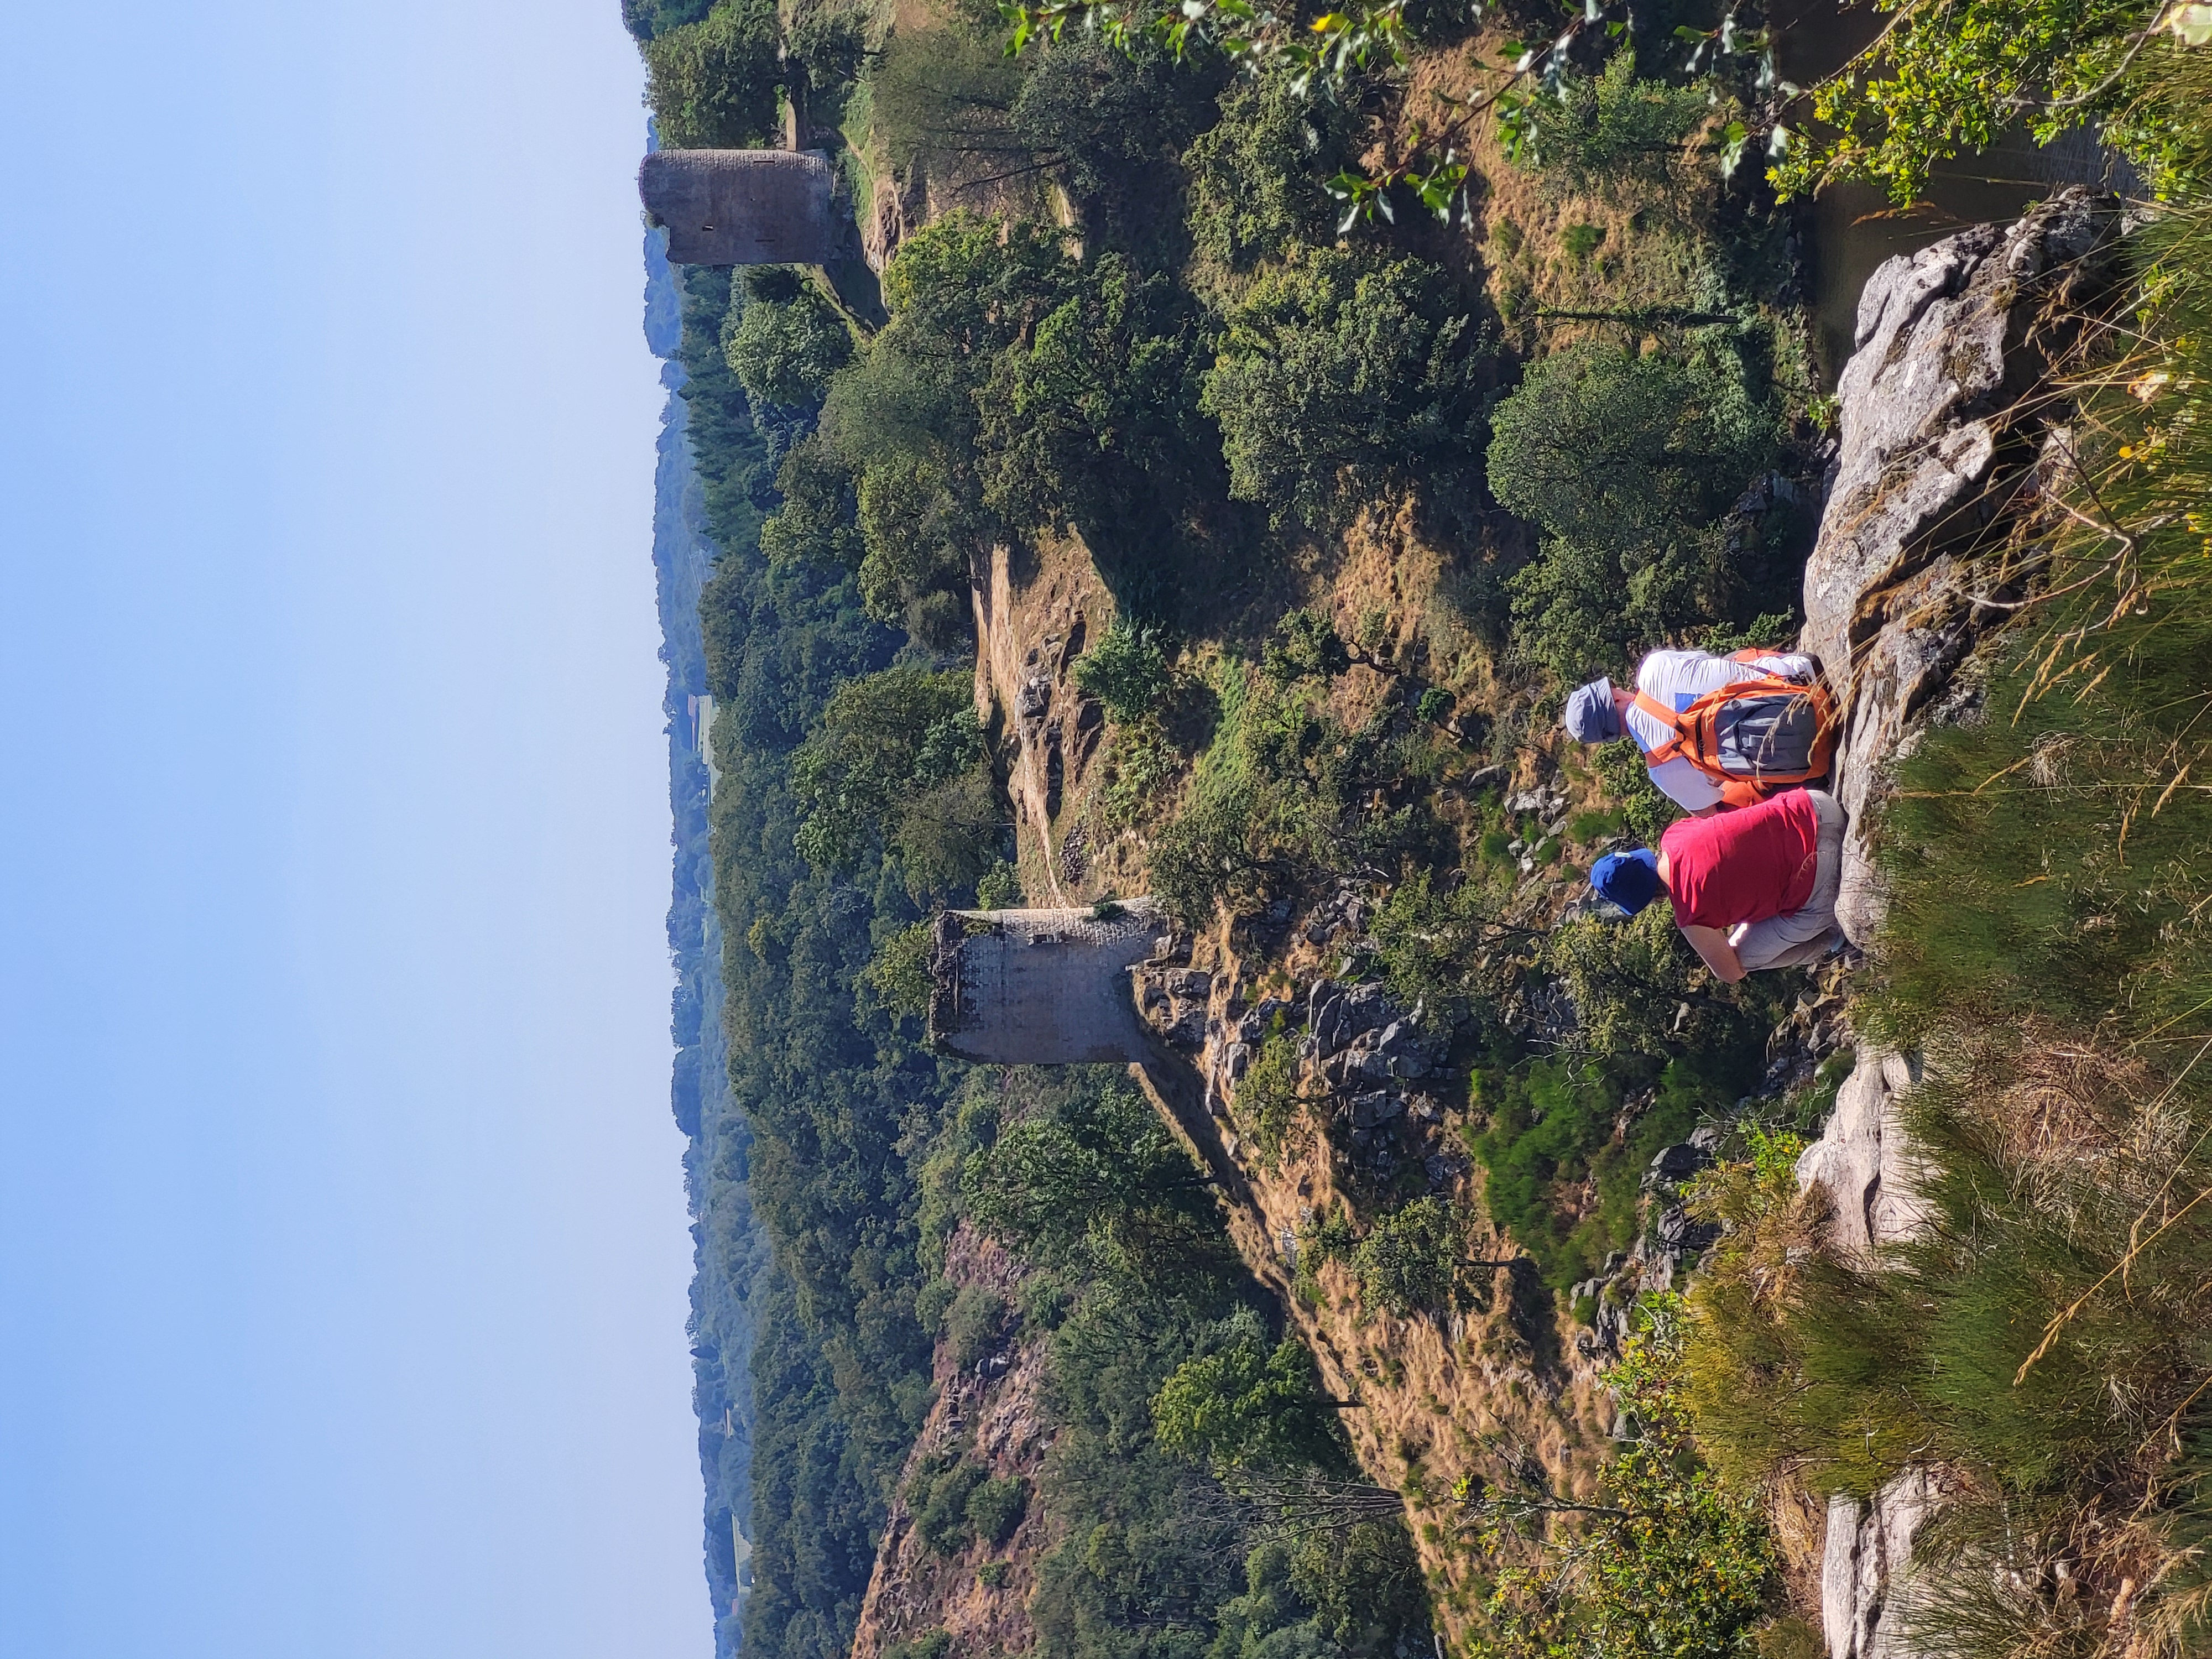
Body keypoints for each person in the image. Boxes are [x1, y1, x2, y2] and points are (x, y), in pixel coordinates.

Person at [1588, 787, 1845, 980]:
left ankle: (1834, 938)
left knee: (1741, 957)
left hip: (1822, 878)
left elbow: (1730, 974)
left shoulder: (1692, 917)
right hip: (1819, 808)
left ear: (1642, 899)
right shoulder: (1676, 833)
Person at [1561, 646, 1825, 816]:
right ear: (1615, 697)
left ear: (1611, 738)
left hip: (1813, 760)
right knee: (1734, 660)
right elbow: (1712, 665)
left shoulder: (1661, 769)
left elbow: (1712, 816)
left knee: (1724, 801)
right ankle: (1791, 668)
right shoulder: (1655, 666)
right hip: (1809, 691)